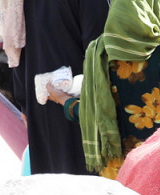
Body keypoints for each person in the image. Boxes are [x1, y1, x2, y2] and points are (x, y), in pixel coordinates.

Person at [45, 0, 160, 179]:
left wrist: (62, 99)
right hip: (158, 161)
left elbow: (93, 116)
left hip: (118, 174)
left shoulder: (99, 53)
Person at [12, 0, 111, 175]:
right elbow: (100, 49)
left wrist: (24, 102)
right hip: (81, 105)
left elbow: (14, 48)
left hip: (40, 101)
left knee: (55, 188)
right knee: (91, 187)